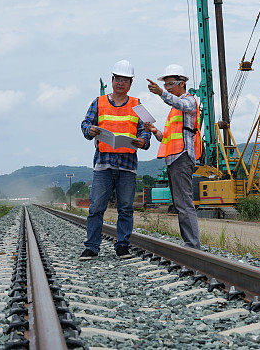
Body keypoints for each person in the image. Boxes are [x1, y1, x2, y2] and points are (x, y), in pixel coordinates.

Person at [79, 60, 150, 261]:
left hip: (127, 166)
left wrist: (142, 141)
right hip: (104, 165)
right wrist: (89, 130)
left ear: (130, 83)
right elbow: (85, 123)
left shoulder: (137, 104)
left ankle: (122, 246)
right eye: (118, 79)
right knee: (96, 207)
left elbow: (146, 130)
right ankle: (92, 247)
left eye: (125, 80)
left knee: (126, 208)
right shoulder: (98, 102)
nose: (121, 83)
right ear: (112, 80)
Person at [145, 64, 202, 249]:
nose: (168, 88)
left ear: (182, 83)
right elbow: (167, 138)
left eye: (170, 84)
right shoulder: (175, 110)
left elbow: (180, 103)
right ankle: (190, 244)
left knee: (184, 203)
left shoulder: (189, 101)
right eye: (166, 85)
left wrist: (161, 93)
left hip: (182, 157)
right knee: (180, 203)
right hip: (173, 158)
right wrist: (154, 131)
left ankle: (193, 246)